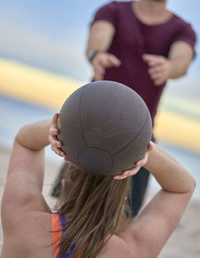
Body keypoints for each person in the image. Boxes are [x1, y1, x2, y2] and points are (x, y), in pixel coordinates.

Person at [0, 81, 196, 258]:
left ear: (65, 185)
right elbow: (183, 187)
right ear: (121, 203)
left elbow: (25, 142)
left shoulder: (22, 220)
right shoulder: (133, 251)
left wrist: (58, 129)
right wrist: (141, 148)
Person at [84, 0, 197, 216]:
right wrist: (96, 55)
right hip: (89, 127)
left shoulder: (181, 29)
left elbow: (183, 58)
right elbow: (98, 38)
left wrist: (170, 67)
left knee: (122, 225)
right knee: (67, 210)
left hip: (139, 140)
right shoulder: (113, 10)